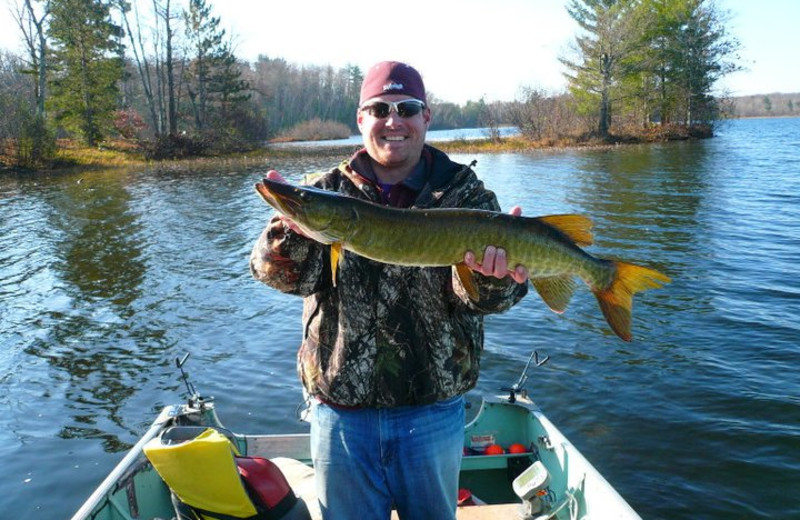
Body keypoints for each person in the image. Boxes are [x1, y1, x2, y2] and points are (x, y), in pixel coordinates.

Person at [250, 61, 529, 520]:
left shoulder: (466, 196)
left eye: (407, 108)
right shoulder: (326, 191)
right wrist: (289, 227)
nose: (393, 120)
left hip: (433, 414)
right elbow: (278, 275)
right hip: (342, 415)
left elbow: (494, 301)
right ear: (361, 119)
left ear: (426, 118)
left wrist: (492, 277)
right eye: (379, 109)